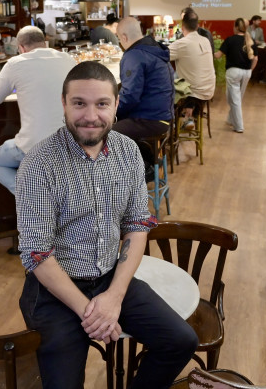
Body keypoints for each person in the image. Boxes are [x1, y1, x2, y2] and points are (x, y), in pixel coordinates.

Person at [16, 61, 198, 389]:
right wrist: (92, 313)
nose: (90, 116)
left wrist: (114, 296)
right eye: (79, 103)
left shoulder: (128, 152)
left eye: (101, 104)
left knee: (180, 341)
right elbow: (37, 254)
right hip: (54, 290)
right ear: (64, 103)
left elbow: (137, 224)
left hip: (109, 279)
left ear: (116, 105)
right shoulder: (39, 164)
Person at [0, 26, 76, 195]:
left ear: (21, 48)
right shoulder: (67, 59)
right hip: (70, 141)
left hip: (34, 146)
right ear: (45, 43)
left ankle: (32, 196)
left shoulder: (16, 63)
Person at [114, 17, 174, 145]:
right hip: (164, 116)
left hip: (150, 119)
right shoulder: (154, 48)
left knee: (104, 133)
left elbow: (130, 96)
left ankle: (133, 163)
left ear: (124, 37)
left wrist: (110, 112)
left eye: (119, 39)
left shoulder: (134, 55)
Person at [169, 11, 216, 130]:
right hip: (208, 90)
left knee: (166, 87)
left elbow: (159, 56)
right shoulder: (205, 41)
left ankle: (172, 126)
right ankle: (189, 116)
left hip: (193, 92)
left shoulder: (181, 43)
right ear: (197, 26)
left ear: (182, 27)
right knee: (179, 79)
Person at [214, 18, 257, 133]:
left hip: (233, 72)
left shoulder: (230, 40)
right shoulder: (250, 40)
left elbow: (218, 55)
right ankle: (230, 119)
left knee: (234, 99)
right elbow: (255, 58)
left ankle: (239, 126)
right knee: (237, 97)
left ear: (236, 27)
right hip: (247, 72)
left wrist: (207, 51)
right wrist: (250, 71)